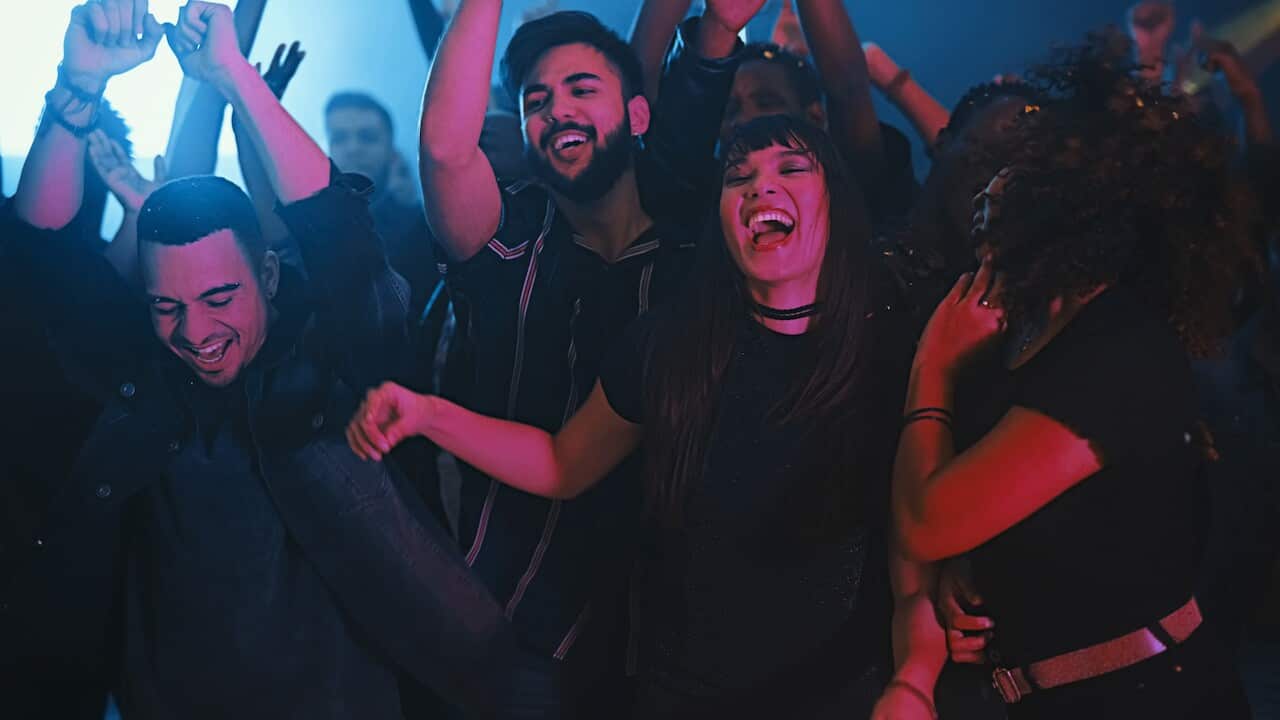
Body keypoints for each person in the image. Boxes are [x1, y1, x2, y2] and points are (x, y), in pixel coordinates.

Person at [1, 2, 526, 717]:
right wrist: (79, 84)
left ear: (272, 276)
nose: (196, 330)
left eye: (221, 297)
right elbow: (41, 263)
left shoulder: (338, 364)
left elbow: (337, 232)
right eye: (167, 307)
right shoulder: (137, 386)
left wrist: (233, 76)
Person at [353, 115, 944, 719]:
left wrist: (918, 677)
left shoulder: (893, 343)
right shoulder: (673, 343)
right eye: (737, 177)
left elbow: (918, 535)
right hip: (685, 696)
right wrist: (428, 414)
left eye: (791, 169)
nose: (760, 188)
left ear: (838, 202)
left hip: (843, 695)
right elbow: (563, 463)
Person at [892, 39, 1255, 718]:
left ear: (1075, 195)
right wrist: (970, 573)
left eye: (1011, 167)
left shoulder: (1117, 345)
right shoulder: (1017, 334)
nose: (988, 182)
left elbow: (926, 521)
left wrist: (931, 370)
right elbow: (1011, 524)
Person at [417, 2, 740, 714]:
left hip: (666, 649)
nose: (557, 109)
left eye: (581, 90)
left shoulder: (701, 257)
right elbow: (445, 150)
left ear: (639, 116)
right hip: (510, 634)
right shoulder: (508, 243)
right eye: (537, 100)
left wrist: (713, 31)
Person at [324, 91, 439, 321]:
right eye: (339, 138)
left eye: (367, 137)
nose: (353, 148)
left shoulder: (422, 226)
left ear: (392, 153)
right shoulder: (312, 222)